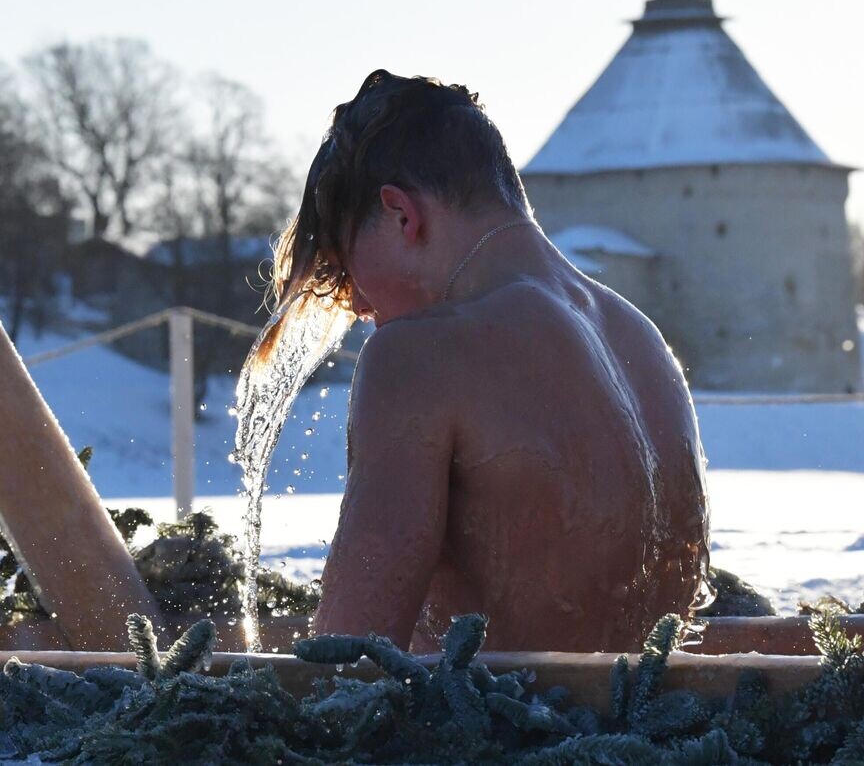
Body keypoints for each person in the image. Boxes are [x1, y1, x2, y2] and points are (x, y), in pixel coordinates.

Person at [272, 69, 712, 652]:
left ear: (403, 215)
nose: (356, 304)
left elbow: (344, 663)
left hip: (503, 738)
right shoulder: (642, 339)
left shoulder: (420, 355)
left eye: (346, 270)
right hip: (659, 729)